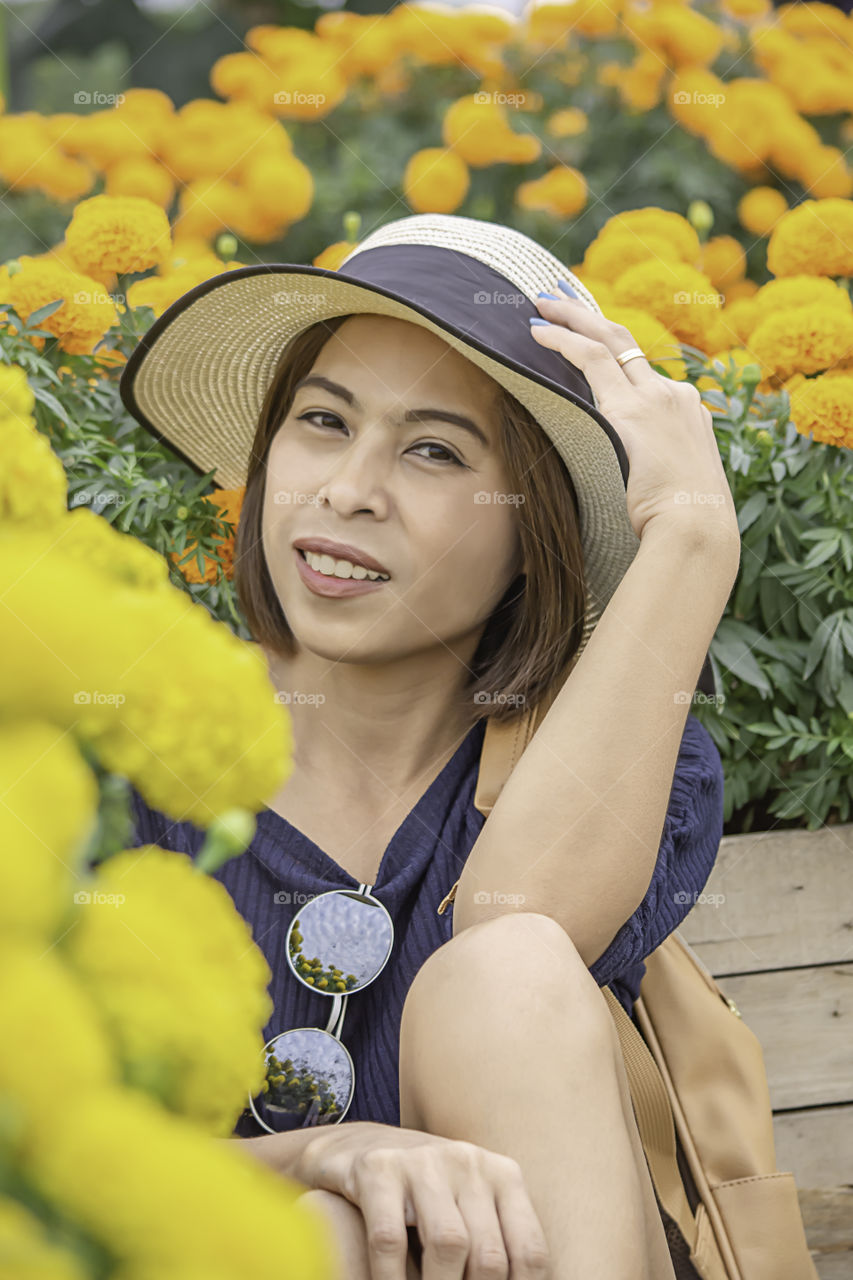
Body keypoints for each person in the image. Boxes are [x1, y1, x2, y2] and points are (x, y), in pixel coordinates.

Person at [121, 213, 741, 1280]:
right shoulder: (124, 757)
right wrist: (324, 1150)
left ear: (528, 520)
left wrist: (689, 539)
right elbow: (47, 1150)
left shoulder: (634, 762)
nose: (349, 490)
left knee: (502, 970)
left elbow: (517, 933)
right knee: (312, 1232)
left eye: (432, 448)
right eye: (323, 419)